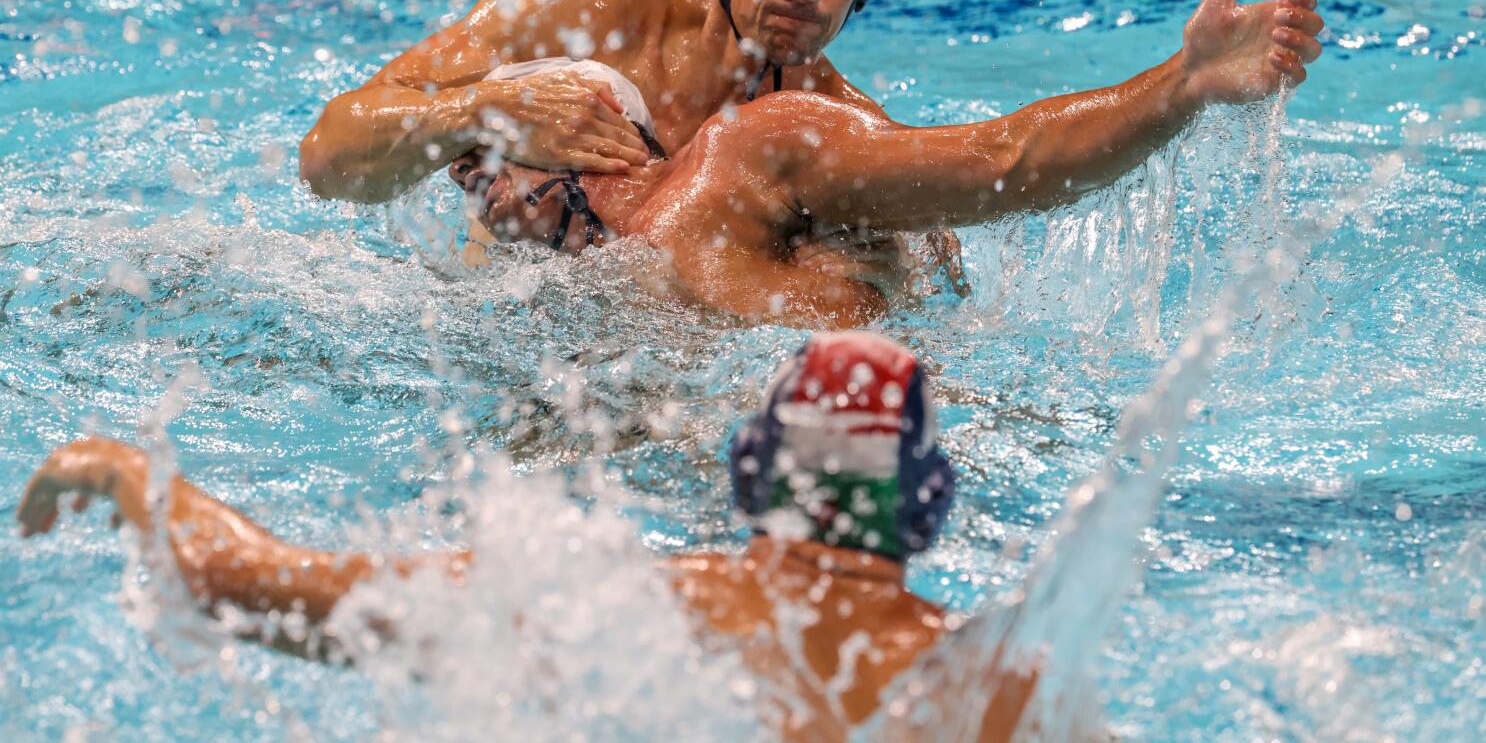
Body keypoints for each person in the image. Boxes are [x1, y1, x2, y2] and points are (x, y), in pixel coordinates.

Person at [296, 0, 1323, 298]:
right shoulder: (584, 10)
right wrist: (487, 107)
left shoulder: (828, 133)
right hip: (477, 325)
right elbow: (331, 156)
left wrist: (1181, 86)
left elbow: (1004, 163)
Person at [19, 333, 1036, 742]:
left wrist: (129, 467)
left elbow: (236, 581)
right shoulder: (1004, 689)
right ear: (928, 499)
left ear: (750, 470)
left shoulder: (604, 600)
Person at [452, 0, 1323, 328]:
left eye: (494, 159)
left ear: (599, 127)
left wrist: (1182, 84)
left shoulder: (750, 152)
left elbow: (1003, 159)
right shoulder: (564, 292)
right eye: (465, 176)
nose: (482, 197)